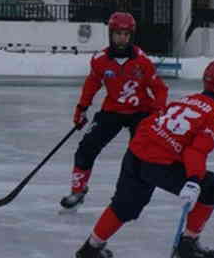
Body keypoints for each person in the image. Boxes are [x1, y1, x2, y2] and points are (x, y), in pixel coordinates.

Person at [70, 61, 214, 258]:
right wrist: (194, 180)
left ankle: (91, 247)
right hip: (159, 164)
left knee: (123, 205)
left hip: (136, 153)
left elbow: (149, 123)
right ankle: (189, 242)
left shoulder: (187, 99)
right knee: (212, 187)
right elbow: (196, 151)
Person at [60, 12, 169, 211]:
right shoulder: (100, 60)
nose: (122, 38)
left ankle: (132, 194)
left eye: (127, 34)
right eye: (118, 33)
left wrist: (157, 111)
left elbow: (160, 89)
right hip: (112, 110)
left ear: (132, 36)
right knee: (86, 148)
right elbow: (92, 84)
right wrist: (81, 109)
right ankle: (78, 191)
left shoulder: (142, 61)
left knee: (137, 156)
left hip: (141, 112)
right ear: (111, 34)